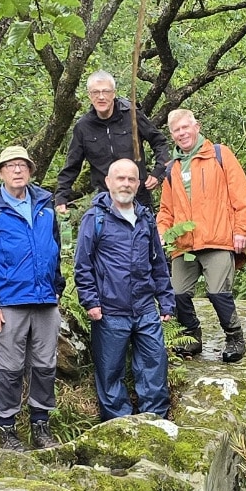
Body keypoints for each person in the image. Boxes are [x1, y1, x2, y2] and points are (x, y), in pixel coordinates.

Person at [0, 145, 64, 452]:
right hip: (8, 302)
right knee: (8, 369)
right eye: (11, 166)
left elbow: (54, 249)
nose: (18, 170)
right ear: (1, 172)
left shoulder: (46, 205)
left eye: (23, 165)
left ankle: (40, 425)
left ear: (30, 170)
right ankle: (7, 429)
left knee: (45, 366)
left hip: (45, 301)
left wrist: (57, 288)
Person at [74, 159, 173, 420]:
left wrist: (166, 301)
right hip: (109, 310)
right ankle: (119, 426)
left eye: (131, 179)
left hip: (145, 309)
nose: (126, 184)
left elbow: (158, 263)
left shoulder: (146, 219)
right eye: (120, 178)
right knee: (110, 373)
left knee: (154, 366)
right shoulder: (94, 218)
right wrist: (90, 301)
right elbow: (82, 265)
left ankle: (155, 422)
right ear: (108, 182)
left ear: (138, 184)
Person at [156, 108, 246, 364]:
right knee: (177, 293)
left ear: (196, 126)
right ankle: (191, 335)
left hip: (218, 239)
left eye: (185, 127)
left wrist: (242, 229)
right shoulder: (172, 169)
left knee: (217, 292)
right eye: (176, 131)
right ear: (172, 135)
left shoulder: (220, 155)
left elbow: (241, 194)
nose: (182, 134)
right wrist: (160, 234)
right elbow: (166, 210)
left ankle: (234, 337)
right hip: (185, 246)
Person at [54, 72, 171, 214]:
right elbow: (72, 166)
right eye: (95, 92)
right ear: (89, 96)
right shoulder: (83, 127)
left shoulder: (131, 114)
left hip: (138, 196)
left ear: (113, 93)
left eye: (106, 91)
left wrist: (158, 173)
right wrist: (61, 198)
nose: (101, 97)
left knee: (143, 235)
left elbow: (159, 141)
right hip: (105, 201)